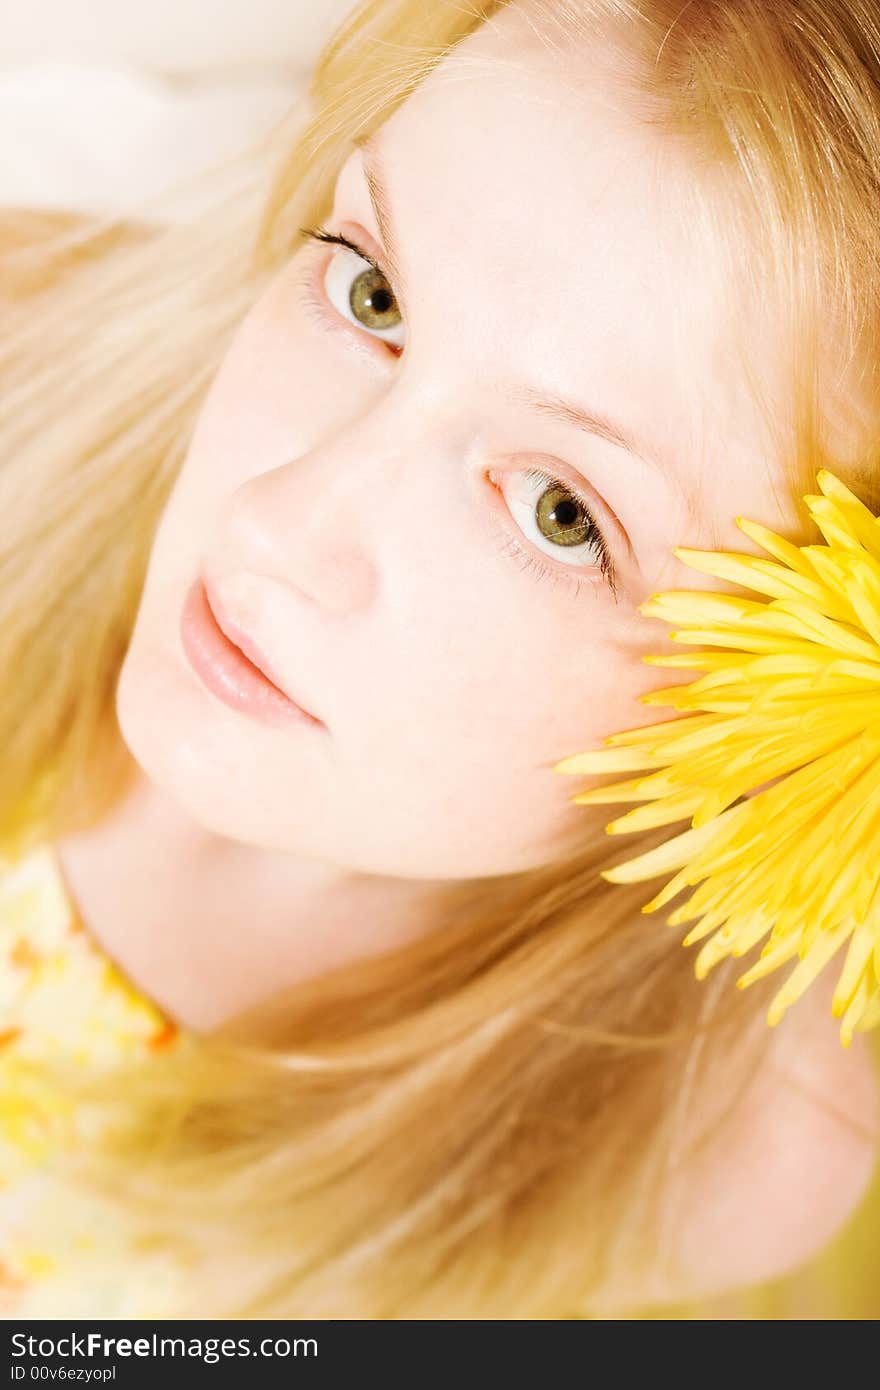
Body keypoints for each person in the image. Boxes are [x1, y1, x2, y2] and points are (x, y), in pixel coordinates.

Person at [1, 0, 878, 1320]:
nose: (278, 521)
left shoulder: (718, 1139)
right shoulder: (28, 384)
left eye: (559, 512)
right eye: (372, 292)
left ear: (805, 718)